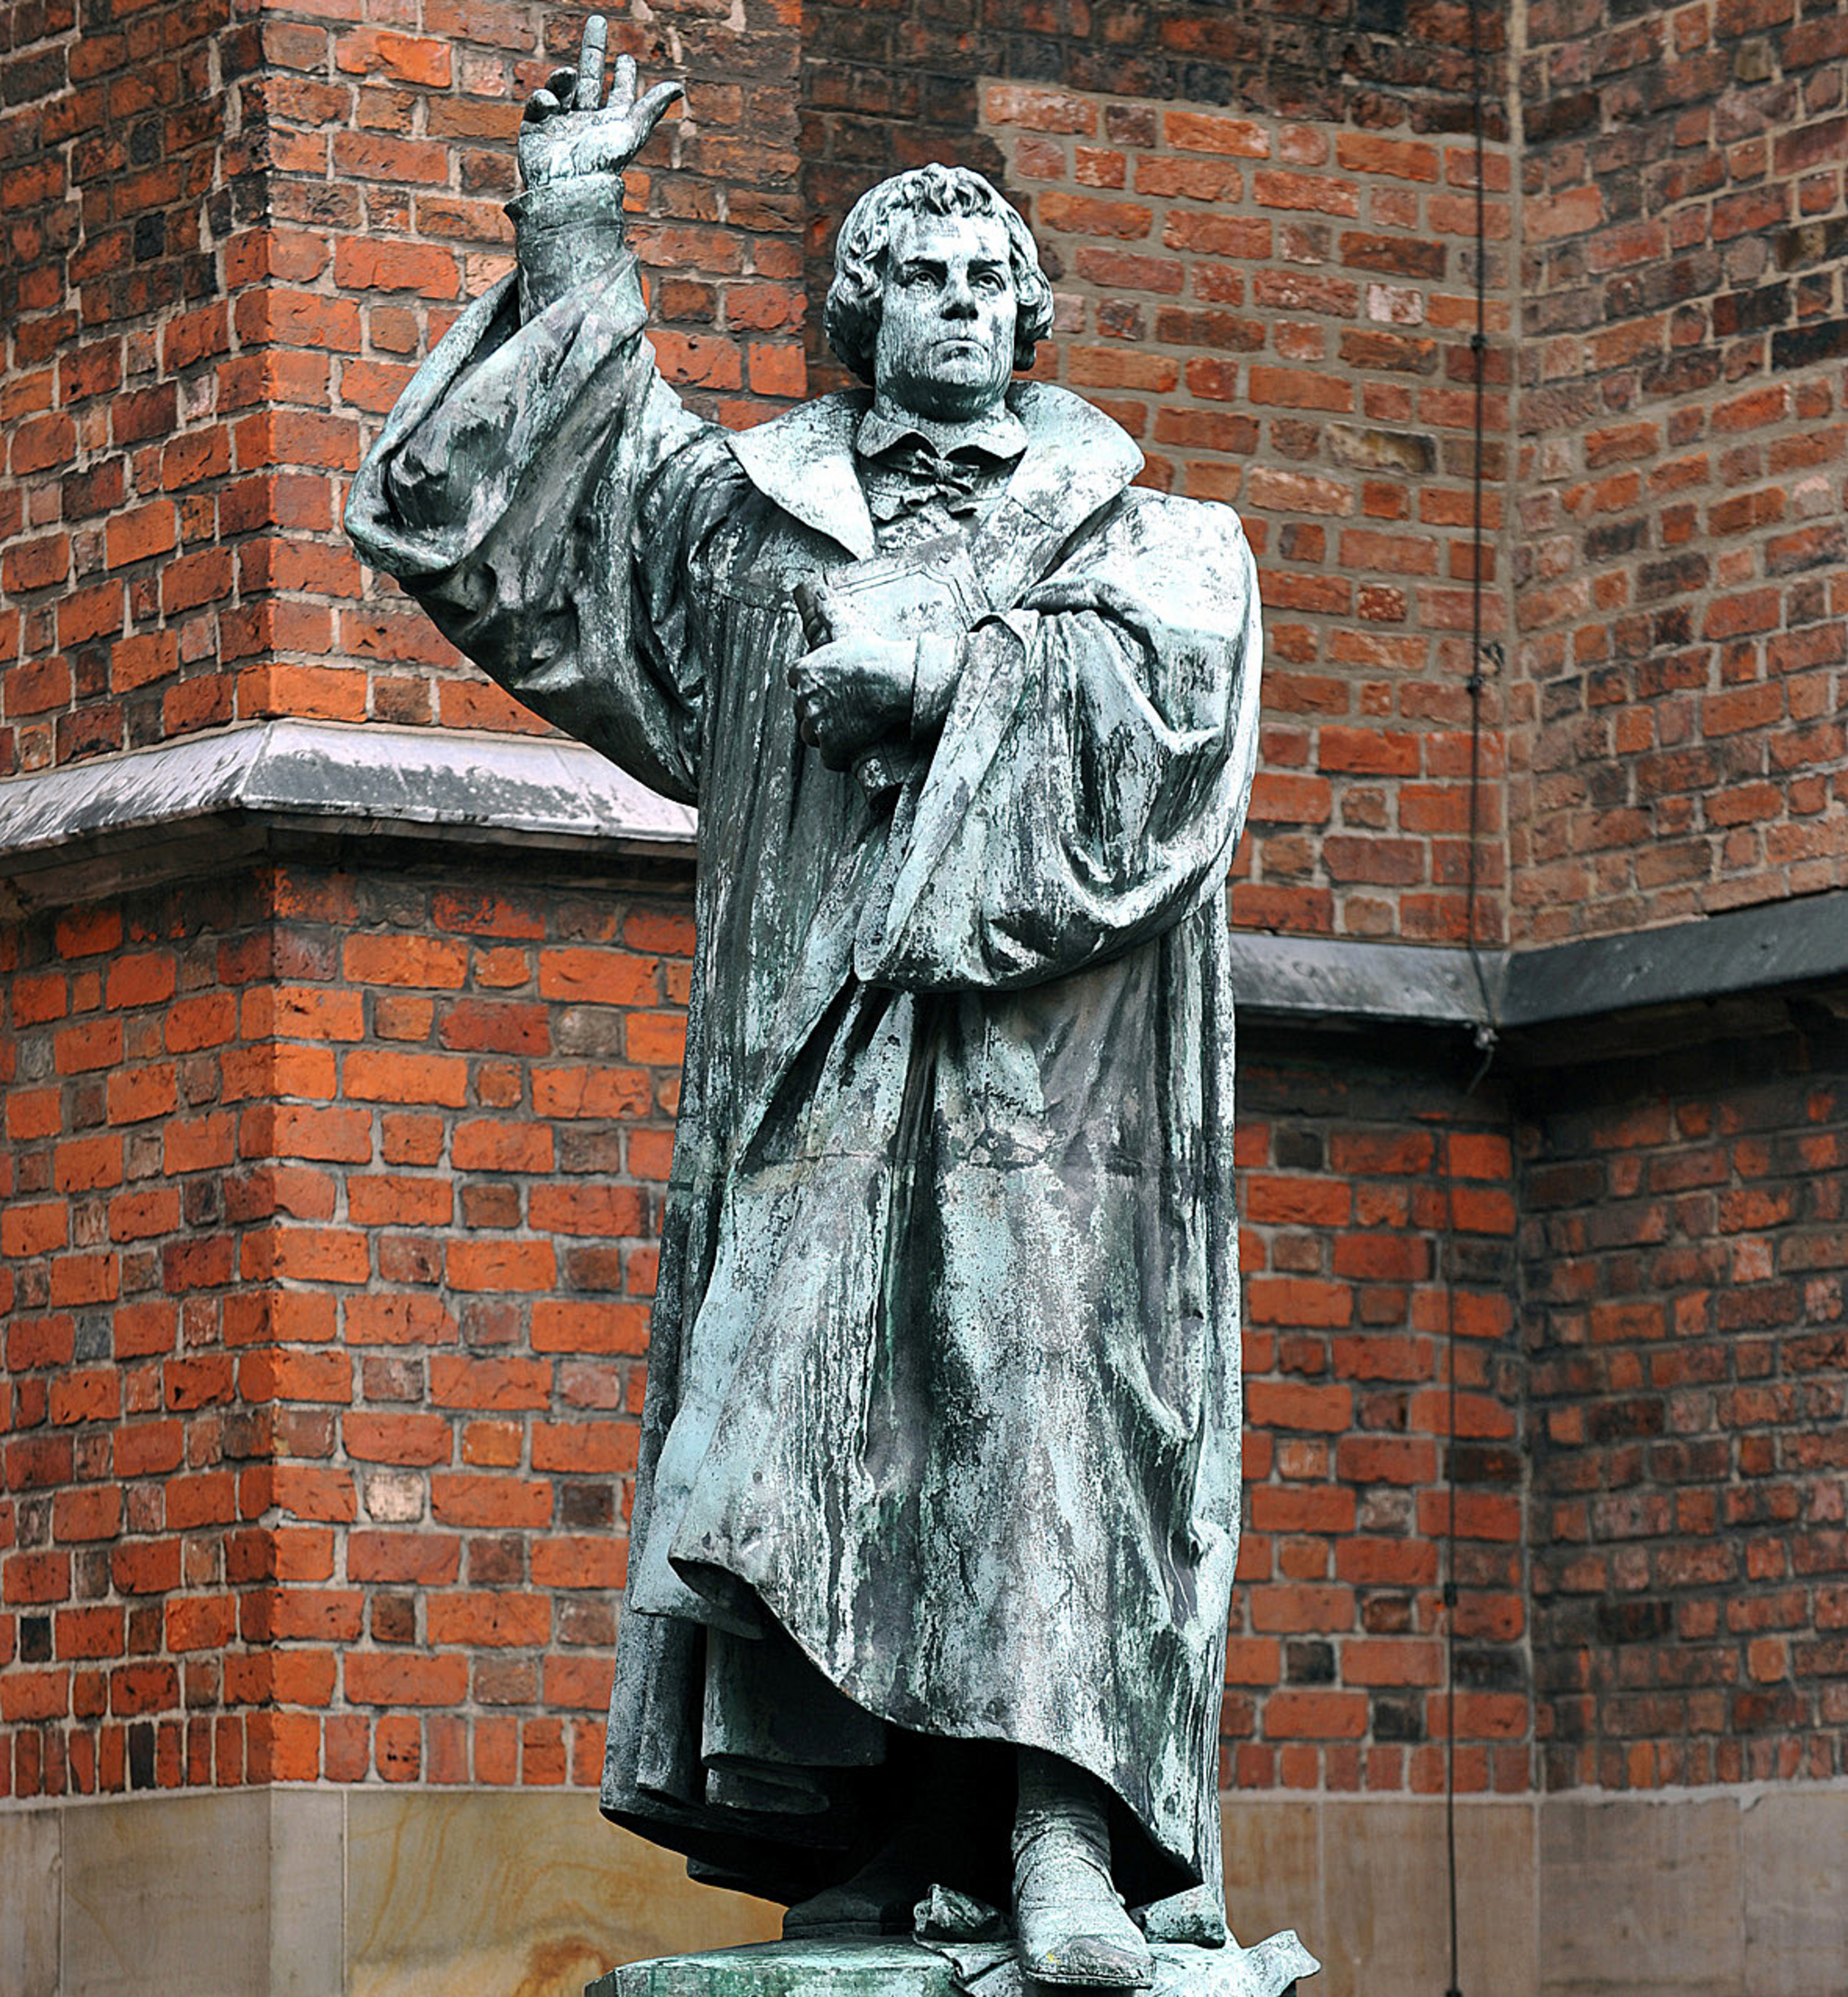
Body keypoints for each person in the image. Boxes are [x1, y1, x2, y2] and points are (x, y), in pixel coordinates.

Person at [346, 17, 1262, 1987]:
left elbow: (1169, 738)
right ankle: (885, 1822)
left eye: (989, 275)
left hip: (1046, 1095)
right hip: (814, 1065)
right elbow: (555, 514)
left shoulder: (1151, 535)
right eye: (918, 276)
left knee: (1033, 1414)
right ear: (861, 315)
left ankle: (1060, 1834)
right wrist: (572, 224)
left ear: (1031, 311)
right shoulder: (751, 519)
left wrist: (941, 682)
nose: (960, 302)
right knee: (818, 1428)